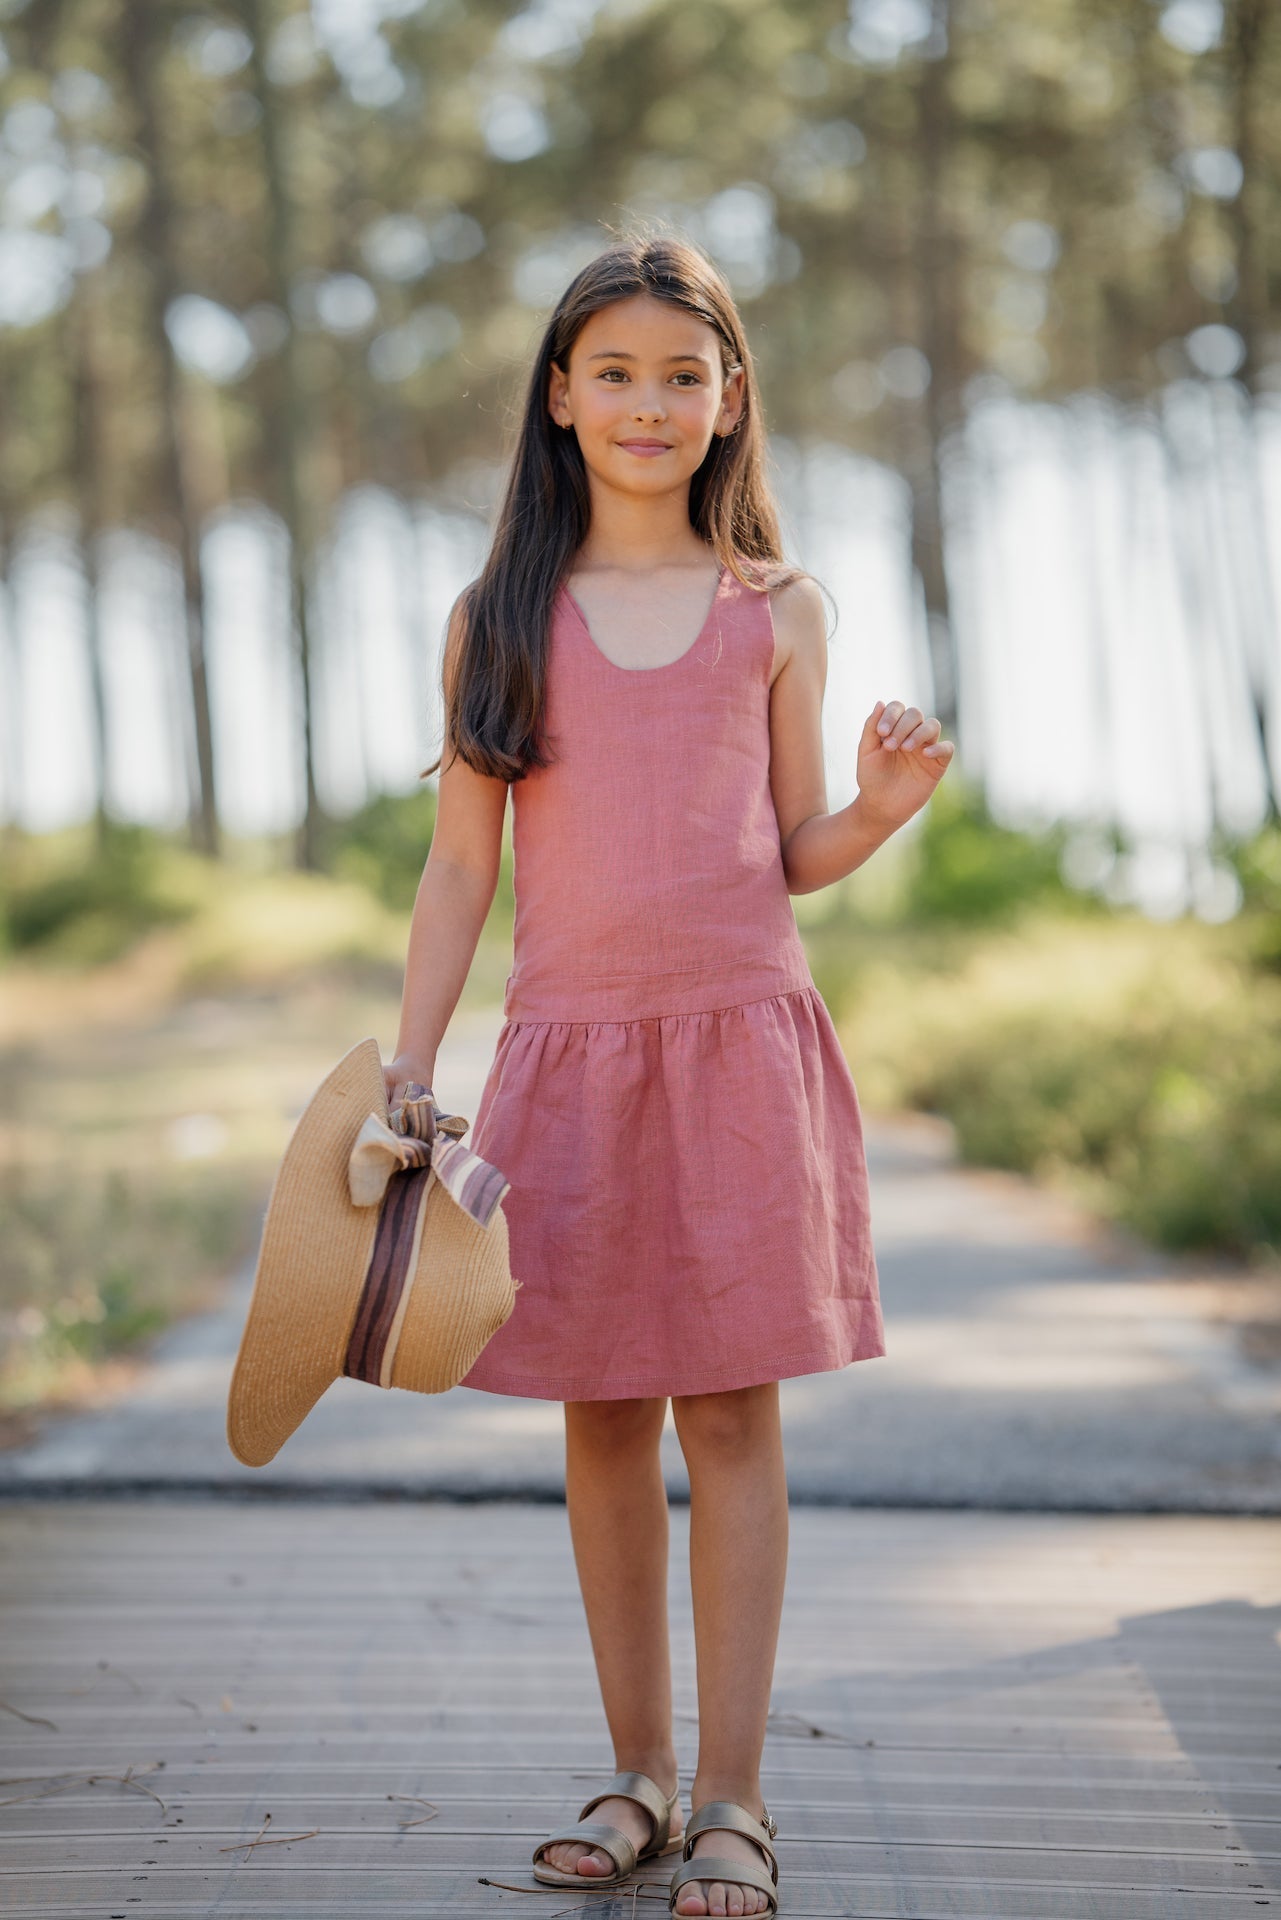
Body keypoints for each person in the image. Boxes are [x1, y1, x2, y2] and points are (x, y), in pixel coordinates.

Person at [384, 233, 954, 1920]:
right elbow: (457, 873)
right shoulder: (497, 617)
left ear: (728, 405)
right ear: (559, 398)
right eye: (614, 372)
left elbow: (790, 848)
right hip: (566, 1060)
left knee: (731, 1411)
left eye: (682, 375)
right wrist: (411, 1070)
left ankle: (733, 1798)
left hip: (737, 1051)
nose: (648, 402)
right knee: (604, 1416)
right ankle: (635, 1773)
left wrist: (879, 810)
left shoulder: (775, 610)